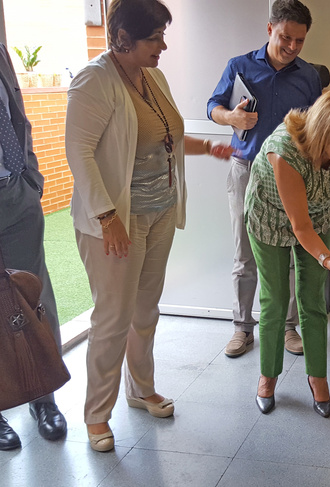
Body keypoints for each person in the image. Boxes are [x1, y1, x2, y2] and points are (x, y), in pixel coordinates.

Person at [65, 0, 233, 452]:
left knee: (145, 310)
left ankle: (141, 390)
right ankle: (97, 416)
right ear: (124, 38)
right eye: (155, 36)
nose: (163, 45)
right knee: (112, 318)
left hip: (159, 212)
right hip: (115, 221)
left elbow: (166, 134)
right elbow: (78, 155)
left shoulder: (152, 76)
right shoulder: (94, 81)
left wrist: (205, 149)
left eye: (163, 35)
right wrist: (106, 217)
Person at [207, 0, 321, 358]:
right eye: (286, 37)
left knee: (288, 253)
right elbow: (212, 106)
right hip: (245, 170)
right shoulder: (238, 66)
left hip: (290, 176)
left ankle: (289, 328)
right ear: (270, 29)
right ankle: (243, 328)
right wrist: (231, 119)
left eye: (300, 41)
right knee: (245, 254)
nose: (292, 47)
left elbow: (318, 126)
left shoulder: (309, 75)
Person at [247, 89, 330, 418]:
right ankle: (268, 377)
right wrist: (326, 258)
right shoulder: (285, 151)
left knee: (312, 300)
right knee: (275, 299)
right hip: (270, 217)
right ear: (326, 132)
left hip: (319, 215)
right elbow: (300, 227)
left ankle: (318, 378)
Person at [0, 43, 67, 451]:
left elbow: (17, 115)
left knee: (35, 294)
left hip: (16, 195)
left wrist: (31, 177)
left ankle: (44, 397)